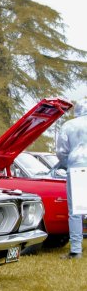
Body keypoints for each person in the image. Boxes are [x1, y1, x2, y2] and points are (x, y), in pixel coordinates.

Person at [56, 98, 87, 259]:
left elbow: (61, 151)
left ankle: (76, 250)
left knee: (76, 210)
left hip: (77, 168)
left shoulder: (68, 125)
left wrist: (67, 163)